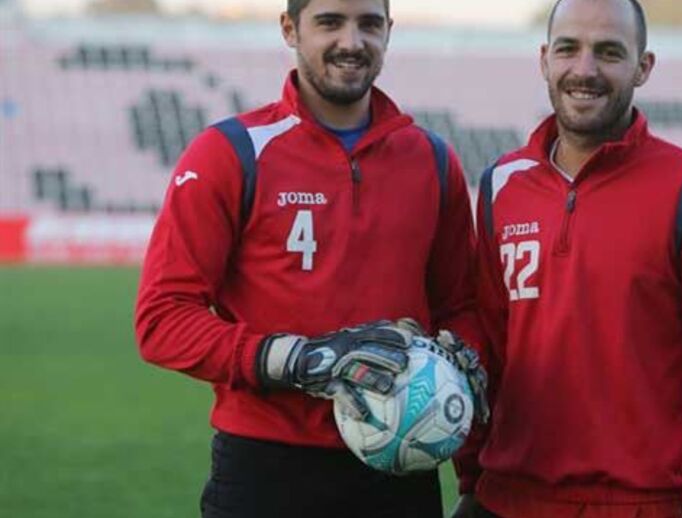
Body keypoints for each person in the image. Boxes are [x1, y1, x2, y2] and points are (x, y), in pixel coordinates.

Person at [134, 0, 486, 517]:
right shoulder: (230, 153)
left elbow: (462, 308)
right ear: (289, 29)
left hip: (403, 465)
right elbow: (162, 319)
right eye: (329, 22)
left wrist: (457, 358)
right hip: (265, 471)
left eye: (368, 24)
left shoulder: (432, 160)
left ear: (388, 32)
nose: (352, 40)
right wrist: (300, 359)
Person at [452, 0, 682, 517]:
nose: (585, 70)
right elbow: (487, 343)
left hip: (637, 504)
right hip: (505, 498)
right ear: (544, 60)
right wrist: (470, 473)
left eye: (609, 52)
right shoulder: (500, 185)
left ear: (643, 67)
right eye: (568, 49)